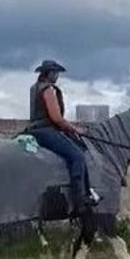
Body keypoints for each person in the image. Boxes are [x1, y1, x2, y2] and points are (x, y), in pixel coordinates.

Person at [26, 59, 96, 214]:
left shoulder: (34, 88)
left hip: (33, 129)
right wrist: (74, 129)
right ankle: (79, 197)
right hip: (46, 131)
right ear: (50, 73)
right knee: (77, 156)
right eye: (56, 73)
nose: (57, 76)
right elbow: (56, 118)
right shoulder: (48, 89)